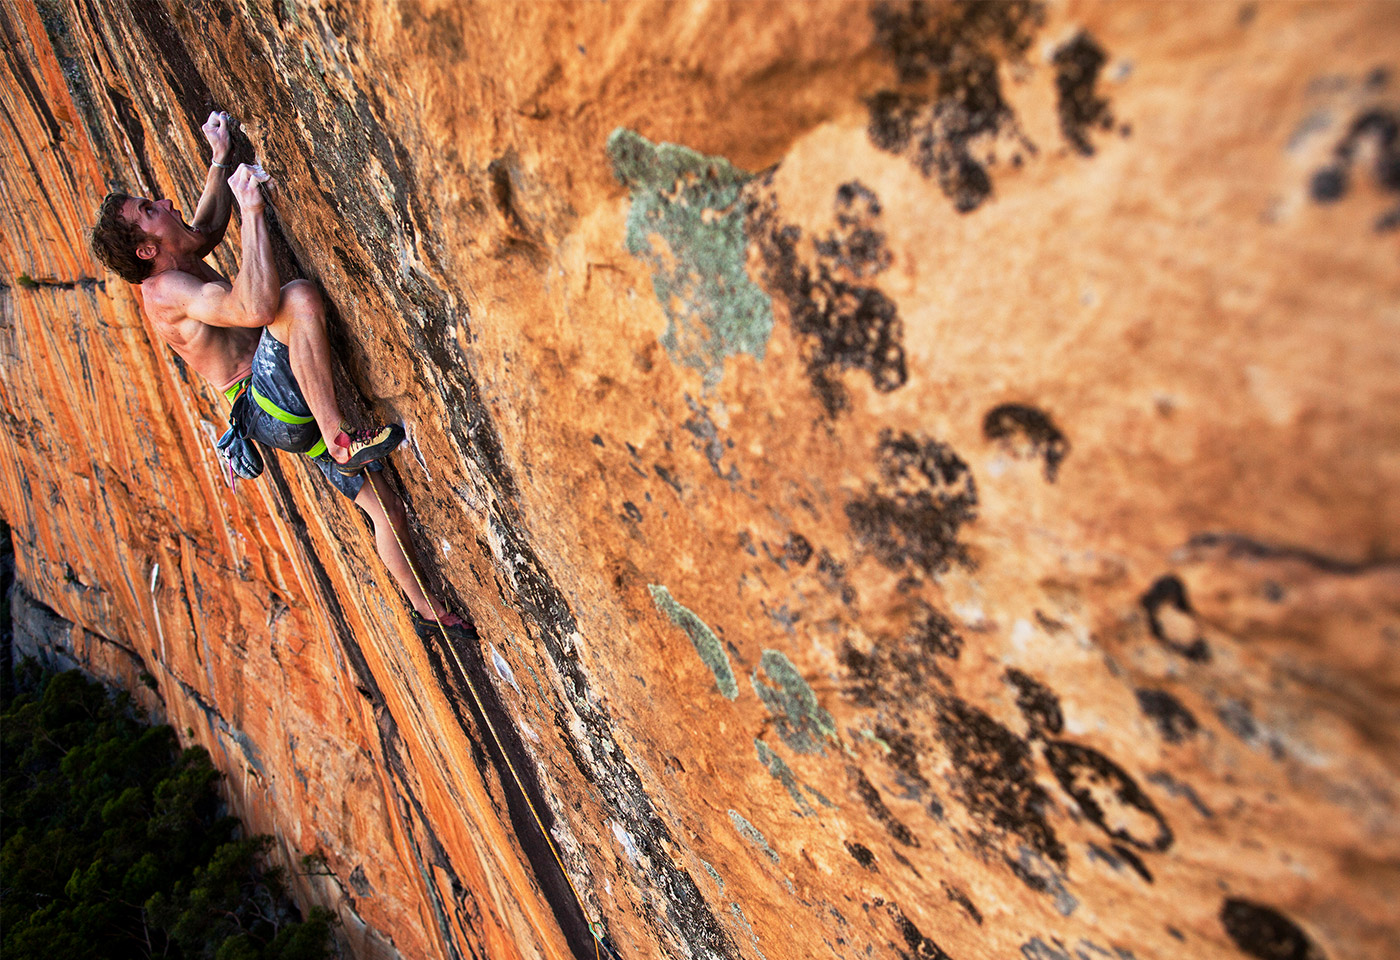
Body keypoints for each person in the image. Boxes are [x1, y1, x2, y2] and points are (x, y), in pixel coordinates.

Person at [89, 110, 473, 641]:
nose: (165, 202)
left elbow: (201, 230)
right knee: (296, 298)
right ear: (147, 250)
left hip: (281, 408)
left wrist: (221, 159)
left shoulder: (171, 258)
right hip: (269, 399)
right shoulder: (166, 293)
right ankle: (340, 438)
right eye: (150, 210)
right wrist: (252, 208)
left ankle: (426, 610)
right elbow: (254, 306)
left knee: (384, 507)